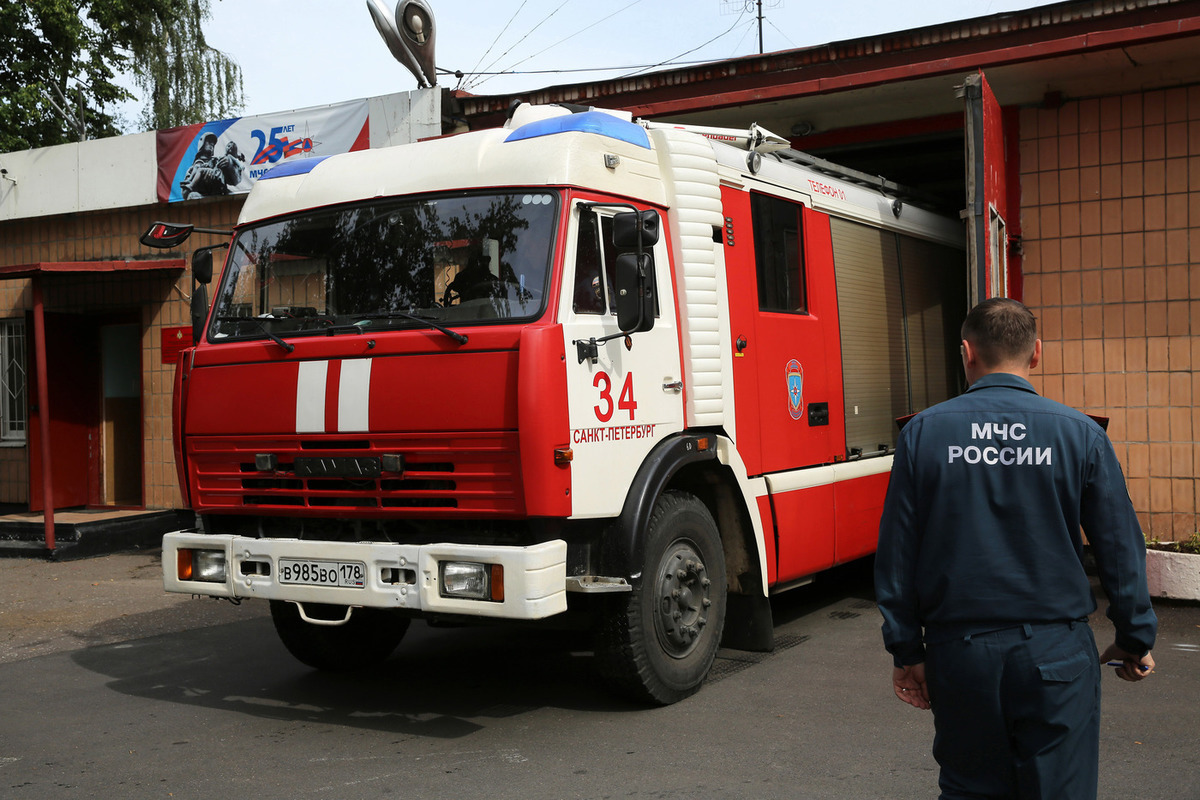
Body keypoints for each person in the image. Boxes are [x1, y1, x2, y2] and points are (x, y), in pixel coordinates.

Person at [874, 297, 1157, 799]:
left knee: (970, 789)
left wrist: (906, 649)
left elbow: (897, 554)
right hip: (1056, 654)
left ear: (967, 352)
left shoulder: (923, 433)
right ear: (1037, 353)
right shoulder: (1080, 434)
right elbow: (1118, 545)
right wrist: (1134, 636)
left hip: (960, 654)